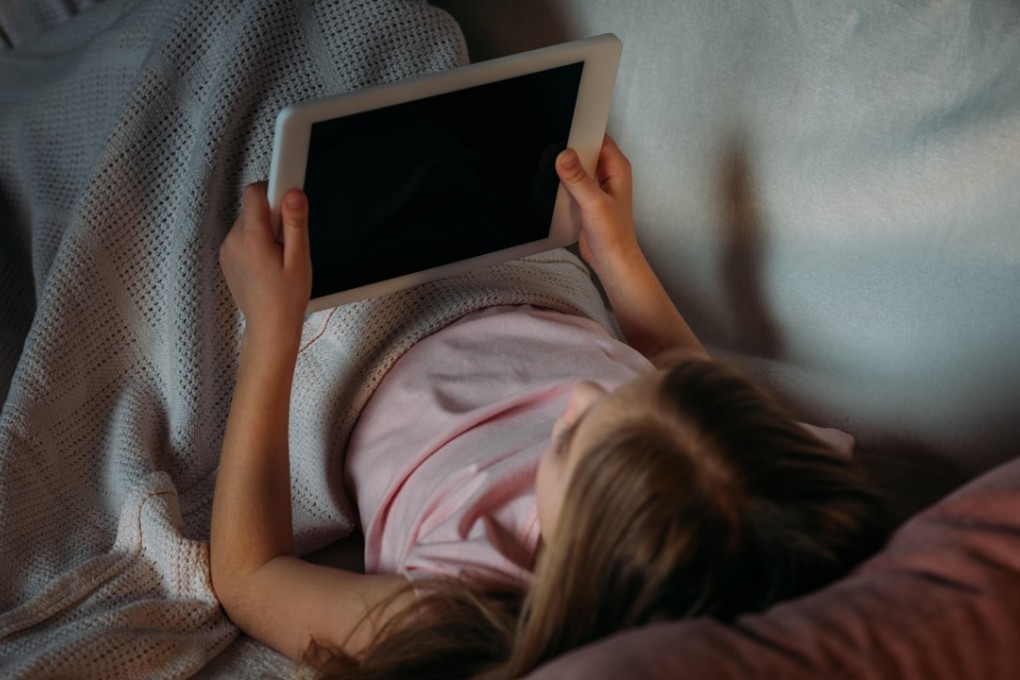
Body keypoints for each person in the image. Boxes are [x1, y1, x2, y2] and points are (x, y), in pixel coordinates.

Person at [212, 136, 890, 679]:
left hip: (365, 341)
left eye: (572, 440)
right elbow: (679, 375)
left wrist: (272, 334)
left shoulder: (458, 603)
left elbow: (251, 577)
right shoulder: (759, 503)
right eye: (630, 389)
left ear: (577, 562)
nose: (584, 394)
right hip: (527, 272)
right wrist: (617, 254)